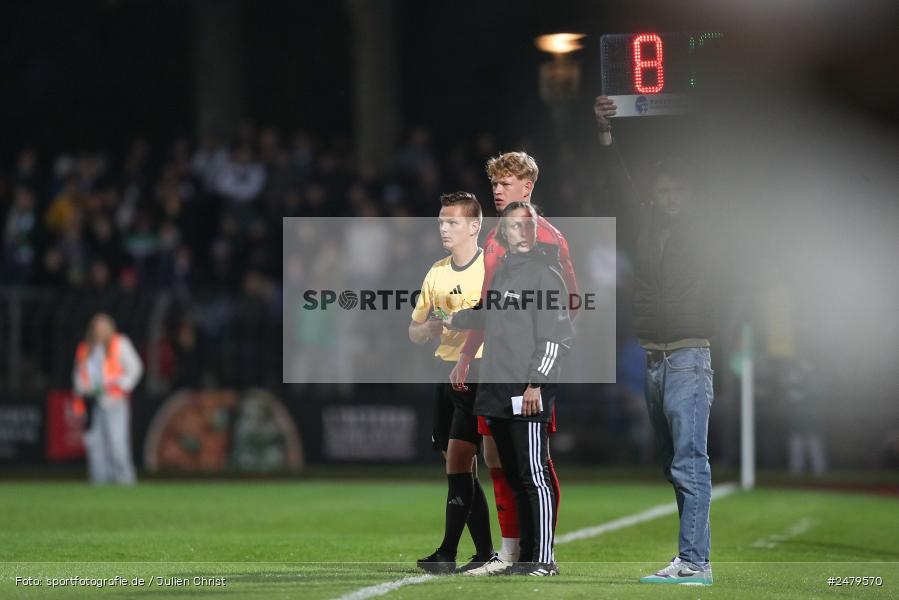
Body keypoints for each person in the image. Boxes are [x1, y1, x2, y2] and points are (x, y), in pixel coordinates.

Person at [595, 95, 716, 586]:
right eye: (662, 189)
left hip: (688, 355)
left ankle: (695, 562)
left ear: (689, 194)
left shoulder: (707, 229)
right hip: (654, 358)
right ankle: (692, 558)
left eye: (677, 190)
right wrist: (605, 134)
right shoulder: (644, 224)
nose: (669, 196)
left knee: (689, 461)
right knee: (672, 463)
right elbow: (616, 183)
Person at [449, 151, 578, 575]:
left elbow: (567, 305)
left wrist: (537, 363)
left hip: (526, 371)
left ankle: (540, 552)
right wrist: (469, 351)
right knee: (495, 456)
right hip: (496, 366)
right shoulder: (497, 241)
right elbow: (491, 306)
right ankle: (512, 551)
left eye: (506, 183)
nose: (498, 190)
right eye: (495, 183)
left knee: (532, 462)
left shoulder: (547, 240)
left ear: (528, 187)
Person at [409, 192, 496, 574]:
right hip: (444, 374)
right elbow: (414, 329)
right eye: (441, 222)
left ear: (474, 226)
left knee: (462, 462)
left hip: (478, 374)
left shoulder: (488, 269)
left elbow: (496, 318)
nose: (444, 228)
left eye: (453, 222)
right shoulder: (437, 272)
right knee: (457, 465)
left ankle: (448, 552)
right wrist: (424, 329)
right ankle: (484, 553)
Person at [72, 313, 144, 485]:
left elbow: (135, 368)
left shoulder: (120, 344)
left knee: (117, 443)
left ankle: (125, 482)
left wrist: (121, 385)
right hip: (93, 402)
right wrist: (83, 390)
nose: (101, 331)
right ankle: (99, 483)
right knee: (95, 445)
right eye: (97, 327)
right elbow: (78, 375)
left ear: (111, 328)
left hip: (114, 400)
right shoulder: (85, 348)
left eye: (104, 327)